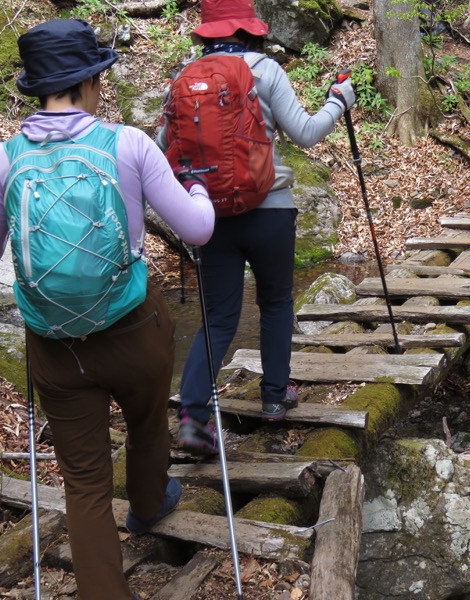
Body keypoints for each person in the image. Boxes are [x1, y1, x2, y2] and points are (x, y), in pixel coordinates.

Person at [0, 19, 215, 600]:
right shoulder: (128, 144)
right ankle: (147, 504)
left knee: (85, 484)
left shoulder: (3, 160)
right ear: (92, 81)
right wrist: (198, 192)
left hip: (55, 346)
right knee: (145, 422)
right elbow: (197, 230)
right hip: (132, 328)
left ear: (37, 88)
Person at [156, 0, 356, 455]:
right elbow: (304, 133)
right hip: (270, 209)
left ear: (206, 31)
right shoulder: (264, 69)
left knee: (219, 318)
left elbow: (161, 148)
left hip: (211, 217)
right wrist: (337, 102)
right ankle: (274, 397)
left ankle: (192, 416)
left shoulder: (184, 78)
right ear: (249, 29)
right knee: (276, 302)